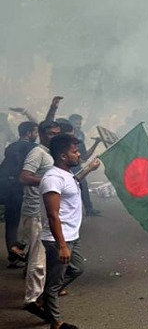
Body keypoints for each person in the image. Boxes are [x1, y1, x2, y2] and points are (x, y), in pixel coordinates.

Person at [40, 134, 100, 329]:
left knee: (77, 269)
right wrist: (62, 245)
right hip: (60, 238)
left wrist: (89, 169)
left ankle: (45, 299)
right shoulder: (52, 178)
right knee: (55, 281)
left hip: (72, 235)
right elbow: (52, 215)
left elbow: (72, 182)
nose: (79, 154)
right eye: (74, 152)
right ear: (63, 156)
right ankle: (56, 322)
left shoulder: (65, 174)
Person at [18, 121, 60, 319]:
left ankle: (39, 295)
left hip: (44, 211)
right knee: (38, 257)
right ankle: (32, 299)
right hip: (35, 211)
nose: (55, 137)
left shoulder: (51, 155)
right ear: (42, 134)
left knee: (43, 257)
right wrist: (47, 181)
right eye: (51, 134)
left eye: (57, 134)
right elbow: (24, 177)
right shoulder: (38, 153)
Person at [1, 121, 40, 268]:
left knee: (11, 223)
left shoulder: (10, 147)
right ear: (29, 133)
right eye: (35, 132)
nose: (37, 135)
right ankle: (26, 256)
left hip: (8, 189)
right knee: (29, 223)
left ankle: (13, 257)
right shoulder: (33, 149)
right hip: (24, 190)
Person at [68, 114, 102, 217]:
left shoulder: (80, 135)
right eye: (76, 123)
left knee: (83, 185)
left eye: (79, 123)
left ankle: (89, 209)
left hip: (76, 165)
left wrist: (96, 143)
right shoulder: (64, 138)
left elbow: (84, 156)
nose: (78, 126)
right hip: (67, 166)